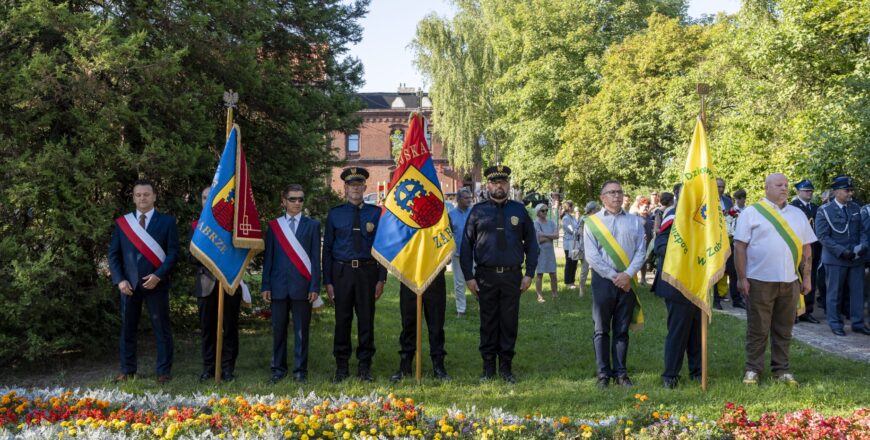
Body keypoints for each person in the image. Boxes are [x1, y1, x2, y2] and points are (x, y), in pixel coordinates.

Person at [734, 173, 816, 385]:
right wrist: (742, 277)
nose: (784, 188)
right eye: (779, 185)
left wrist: (806, 278)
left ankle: (782, 370)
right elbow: (740, 247)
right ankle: (753, 369)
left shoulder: (798, 214)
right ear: (766, 188)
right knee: (758, 328)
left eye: (786, 185)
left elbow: (807, 248)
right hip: (759, 280)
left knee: (784, 328)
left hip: (790, 281)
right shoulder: (751, 213)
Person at [460, 165, 538, 383]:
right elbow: (466, 245)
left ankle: (505, 367)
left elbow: (532, 244)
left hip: (513, 276)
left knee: (509, 322)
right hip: (485, 276)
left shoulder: (519, 210)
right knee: (488, 321)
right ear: (488, 186)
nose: (499, 186)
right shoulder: (477, 211)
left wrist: (529, 274)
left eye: (503, 182)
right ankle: (488, 368)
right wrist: (469, 276)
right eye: (495, 183)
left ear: (508, 185)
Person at [108, 179, 179, 384]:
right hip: (129, 286)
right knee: (127, 329)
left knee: (161, 328)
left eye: (146, 194)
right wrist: (120, 280)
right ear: (133, 197)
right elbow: (113, 254)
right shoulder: (123, 223)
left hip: (156, 284)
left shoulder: (167, 222)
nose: (142, 198)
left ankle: (164, 371)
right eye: (138, 195)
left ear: (154, 196)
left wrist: (159, 275)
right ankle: (127, 370)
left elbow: (173, 253)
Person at [323, 167, 388, 382]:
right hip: (341, 272)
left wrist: (381, 278)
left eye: (359, 185)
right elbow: (328, 251)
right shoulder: (335, 214)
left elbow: (382, 248)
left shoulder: (375, 213)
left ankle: (364, 366)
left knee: (366, 320)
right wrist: (328, 281)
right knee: (342, 320)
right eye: (352, 185)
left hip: (367, 272)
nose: (355, 189)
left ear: (364, 187)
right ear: (345, 188)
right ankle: (341, 366)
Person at [583, 180, 646, 388]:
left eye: (619, 192)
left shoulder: (635, 221)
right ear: (603, 197)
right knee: (601, 329)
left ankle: (621, 374)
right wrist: (615, 276)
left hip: (627, 281)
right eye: (611, 192)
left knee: (621, 329)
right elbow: (592, 257)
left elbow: (641, 251)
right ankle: (603, 374)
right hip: (604, 281)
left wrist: (627, 274)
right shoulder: (592, 222)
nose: (616, 196)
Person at [262, 184, 322, 384]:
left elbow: (315, 259)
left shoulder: (312, 226)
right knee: (278, 330)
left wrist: (314, 287)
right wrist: (266, 285)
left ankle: (299, 371)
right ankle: (278, 369)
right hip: (278, 287)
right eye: (293, 199)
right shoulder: (273, 226)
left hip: (302, 287)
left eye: (301, 199)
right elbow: (268, 258)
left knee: (301, 332)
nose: (297, 203)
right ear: (284, 201)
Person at [192, 186, 243, 383]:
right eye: (204, 197)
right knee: (207, 330)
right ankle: (209, 368)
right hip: (206, 285)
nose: (207, 201)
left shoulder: (230, 227)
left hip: (229, 283)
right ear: (201, 201)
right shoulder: (196, 226)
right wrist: (213, 257)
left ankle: (228, 368)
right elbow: (190, 256)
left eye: (210, 198)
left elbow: (240, 254)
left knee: (230, 328)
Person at [652, 183, 700, 388]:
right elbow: (660, 245)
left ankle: (698, 372)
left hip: (698, 282)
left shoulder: (702, 218)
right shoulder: (673, 216)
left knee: (697, 330)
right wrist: (682, 255)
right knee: (679, 329)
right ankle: (670, 374)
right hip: (677, 282)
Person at [815, 176, 868, 336]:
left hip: (856, 258)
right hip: (836, 259)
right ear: (837, 191)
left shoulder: (856, 208)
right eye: (847, 190)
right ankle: (835, 323)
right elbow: (823, 236)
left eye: (851, 190)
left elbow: (863, 231)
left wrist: (863, 246)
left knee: (857, 293)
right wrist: (841, 251)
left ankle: (857, 323)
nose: (850, 193)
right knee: (834, 293)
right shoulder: (824, 211)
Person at [390, 270, 450, 382]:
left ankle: (438, 367)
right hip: (410, 274)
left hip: (434, 273)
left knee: (436, 324)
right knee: (408, 323)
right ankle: (405, 366)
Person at [789, 179, 821, 324]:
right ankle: (794, 311)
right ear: (798, 192)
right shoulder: (792, 207)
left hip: (813, 249)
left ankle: (807, 310)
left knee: (810, 279)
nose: (809, 193)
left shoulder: (816, 208)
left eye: (810, 191)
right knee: (796, 280)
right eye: (806, 191)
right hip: (797, 248)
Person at [716, 178, 744, 309]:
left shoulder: (727, 201)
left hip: (729, 240)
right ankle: (715, 300)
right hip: (714, 241)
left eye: (722, 187)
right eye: (718, 186)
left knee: (733, 270)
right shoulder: (706, 200)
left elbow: (732, 215)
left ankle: (737, 299)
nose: (720, 189)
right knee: (716, 271)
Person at [448, 188, 474, 317]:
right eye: (466, 198)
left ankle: (483, 304)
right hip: (458, 253)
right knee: (459, 283)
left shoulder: (474, 213)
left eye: (470, 198)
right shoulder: (451, 215)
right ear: (458, 199)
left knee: (479, 280)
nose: (469, 200)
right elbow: (448, 235)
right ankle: (461, 310)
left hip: (475, 253)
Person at [534, 203, 559, 302]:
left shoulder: (552, 222)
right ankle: (539, 296)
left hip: (550, 252)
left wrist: (544, 235)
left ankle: (555, 294)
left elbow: (557, 236)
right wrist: (551, 236)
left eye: (546, 210)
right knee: (539, 274)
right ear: (538, 212)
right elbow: (539, 239)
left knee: (553, 274)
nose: (545, 212)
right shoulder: (535, 223)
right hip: (541, 251)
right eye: (542, 210)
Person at [576, 202, 600, 297]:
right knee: (584, 270)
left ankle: (596, 289)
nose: (598, 210)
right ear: (592, 209)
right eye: (597, 208)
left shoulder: (599, 219)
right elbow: (578, 232)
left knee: (596, 269)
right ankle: (581, 289)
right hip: (585, 248)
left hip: (597, 248)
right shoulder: (584, 219)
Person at [561, 201, 580, 290]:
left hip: (575, 243)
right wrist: (578, 230)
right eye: (572, 207)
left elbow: (577, 227)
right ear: (569, 207)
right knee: (570, 262)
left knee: (574, 262)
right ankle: (568, 282)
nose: (573, 208)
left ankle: (572, 281)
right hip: (569, 244)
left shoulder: (572, 217)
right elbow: (572, 230)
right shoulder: (565, 218)